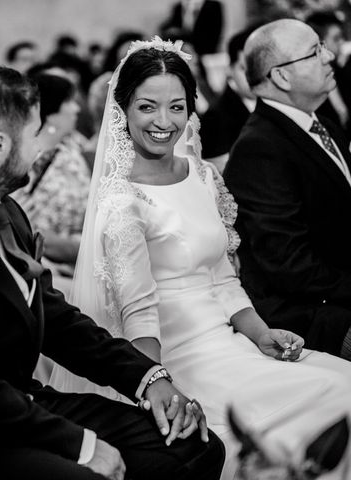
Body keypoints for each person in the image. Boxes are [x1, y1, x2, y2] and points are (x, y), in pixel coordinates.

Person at [0, 63, 225, 480]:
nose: (45, 145)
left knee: (195, 447)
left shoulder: (2, 208)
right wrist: (82, 445)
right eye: (37, 133)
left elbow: (55, 319)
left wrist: (148, 377)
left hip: (23, 403)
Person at [48, 37, 351, 480]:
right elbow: (137, 312)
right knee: (329, 403)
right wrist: (154, 386)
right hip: (177, 359)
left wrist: (261, 333)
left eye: (176, 106)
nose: (163, 122)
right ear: (123, 110)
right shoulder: (123, 201)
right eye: (147, 107)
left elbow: (221, 276)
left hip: (231, 341)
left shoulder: (202, 175)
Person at [224, 19, 351, 361]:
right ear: (281, 76)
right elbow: (289, 264)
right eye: (314, 51)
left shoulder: (320, 123)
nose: (329, 56)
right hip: (307, 314)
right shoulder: (260, 148)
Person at [12, 72, 89, 291]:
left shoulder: (73, 149)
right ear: (52, 110)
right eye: (68, 101)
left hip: (80, 264)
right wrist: (84, 249)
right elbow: (26, 225)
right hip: (51, 270)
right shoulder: (28, 159)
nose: (77, 108)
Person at [200, 27, 256, 172]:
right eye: (244, 69)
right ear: (229, 69)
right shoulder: (216, 116)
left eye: (259, 67)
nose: (254, 76)